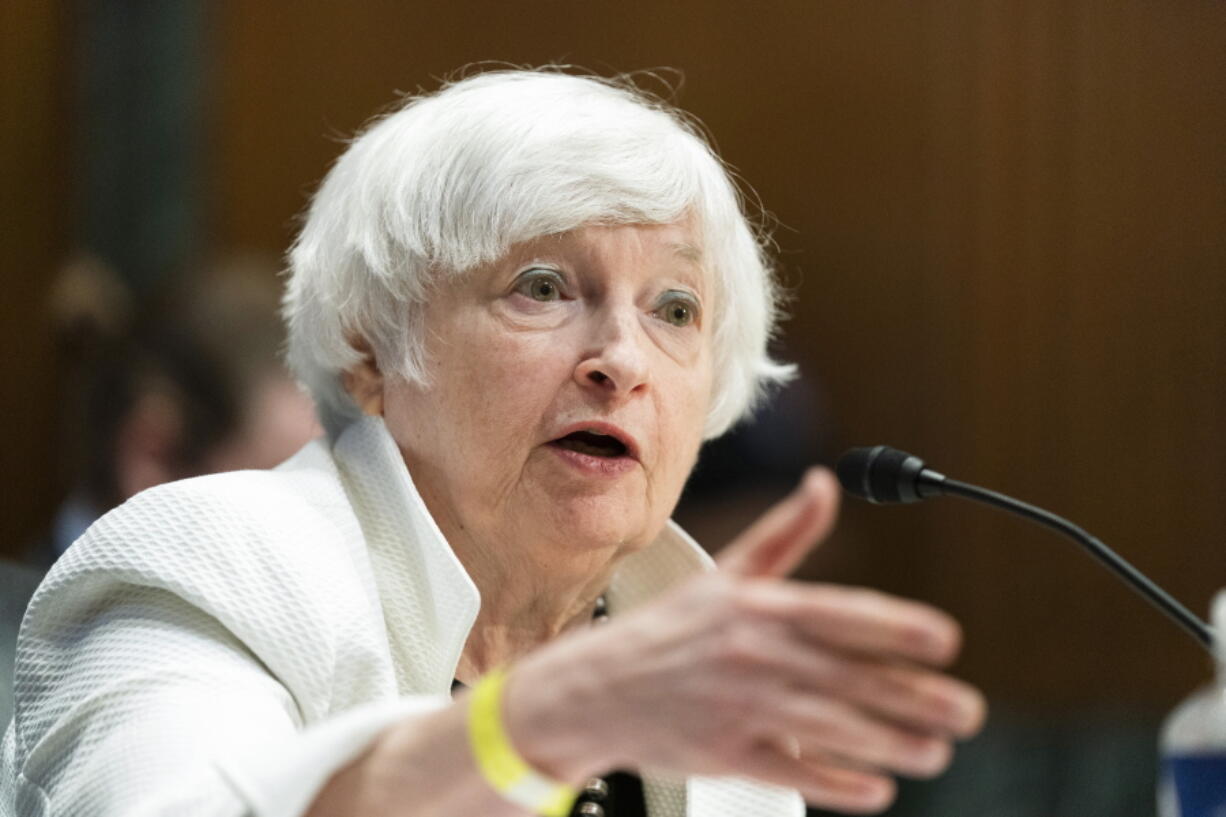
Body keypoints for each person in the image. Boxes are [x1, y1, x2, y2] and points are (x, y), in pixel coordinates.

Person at [1, 69, 985, 817]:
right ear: (369, 349)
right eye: (544, 288)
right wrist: (545, 721)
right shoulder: (204, 563)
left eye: (674, 308)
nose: (621, 359)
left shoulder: (694, 652)